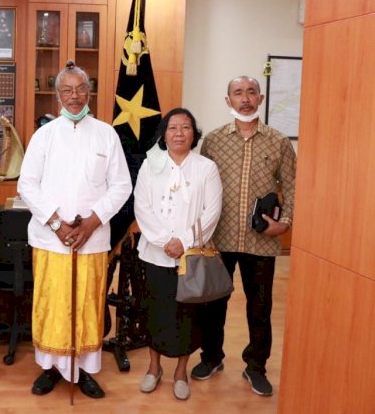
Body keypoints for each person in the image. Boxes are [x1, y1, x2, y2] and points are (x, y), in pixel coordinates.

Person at [17, 61, 132, 399]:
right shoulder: (44, 135)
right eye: (66, 90)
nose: (74, 96)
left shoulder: (106, 133)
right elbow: (27, 184)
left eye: (80, 89)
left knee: (86, 304)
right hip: (51, 238)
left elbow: (121, 186)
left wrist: (92, 223)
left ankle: (83, 371)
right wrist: (56, 224)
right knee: (52, 303)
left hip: (92, 239)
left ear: (89, 91)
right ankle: (50, 368)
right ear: (57, 96)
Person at [192, 76, 296, 396]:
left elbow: (292, 187)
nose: (245, 98)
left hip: (260, 241)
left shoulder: (278, 142)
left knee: (259, 308)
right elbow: (201, 188)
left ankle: (256, 367)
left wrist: (286, 223)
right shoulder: (212, 141)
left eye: (251, 92)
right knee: (213, 303)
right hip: (218, 240)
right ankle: (211, 357)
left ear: (261, 98)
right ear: (228, 101)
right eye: (238, 93)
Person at [134, 108, 223, 401]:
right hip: (154, 255)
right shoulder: (151, 165)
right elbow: (142, 207)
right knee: (154, 311)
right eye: (173, 128)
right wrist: (163, 241)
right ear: (164, 133)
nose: (179, 133)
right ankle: (154, 367)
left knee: (189, 315)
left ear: (194, 134)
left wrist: (183, 243)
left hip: (192, 256)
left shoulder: (206, 167)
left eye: (186, 128)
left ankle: (181, 371)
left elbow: (212, 212)